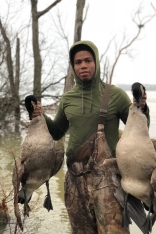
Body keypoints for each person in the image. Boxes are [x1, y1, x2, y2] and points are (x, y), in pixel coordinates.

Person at [31, 40, 149, 233]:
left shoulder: (115, 95)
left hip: (109, 180)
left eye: (87, 60)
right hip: (75, 179)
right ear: (73, 66)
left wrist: (142, 109)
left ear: (96, 62)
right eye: (78, 62)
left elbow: (139, 132)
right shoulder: (68, 99)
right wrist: (41, 116)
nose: (83, 65)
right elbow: (57, 132)